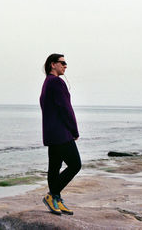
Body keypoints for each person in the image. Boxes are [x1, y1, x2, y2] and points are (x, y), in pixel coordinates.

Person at [40, 53, 81, 215]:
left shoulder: (47, 83)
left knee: (55, 167)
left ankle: (55, 198)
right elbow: (66, 108)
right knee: (75, 165)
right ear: (53, 64)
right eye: (62, 63)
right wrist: (74, 130)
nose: (65, 66)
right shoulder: (56, 82)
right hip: (61, 133)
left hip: (51, 133)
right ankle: (52, 196)